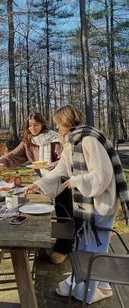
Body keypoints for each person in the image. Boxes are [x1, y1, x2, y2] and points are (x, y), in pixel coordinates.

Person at [24, 104, 129, 304]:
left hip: (99, 203)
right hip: (87, 204)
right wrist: (37, 185)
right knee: (91, 247)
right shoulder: (72, 142)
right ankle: (102, 286)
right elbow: (59, 170)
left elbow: (102, 175)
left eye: (58, 124)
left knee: (93, 249)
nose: (58, 128)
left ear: (67, 122)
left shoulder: (89, 140)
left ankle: (88, 289)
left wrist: (76, 181)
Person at [0, 112, 73, 264]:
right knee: (36, 210)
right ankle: (38, 240)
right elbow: (14, 156)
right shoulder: (28, 142)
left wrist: (52, 165)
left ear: (42, 124)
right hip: (41, 181)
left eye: (36, 125)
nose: (33, 128)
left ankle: (64, 248)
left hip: (61, 180)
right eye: (30, 125)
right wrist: (0, 161)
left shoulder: (55, 138)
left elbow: (65, 160)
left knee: (63, 212)